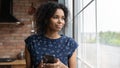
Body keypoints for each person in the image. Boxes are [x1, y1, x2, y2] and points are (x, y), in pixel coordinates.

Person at [25, 1, 78, 68]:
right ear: (46, 19)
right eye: (55, 17)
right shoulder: (31, 42)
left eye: (63, 18)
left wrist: (62, 66)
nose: (60, 21)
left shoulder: (70, 43)